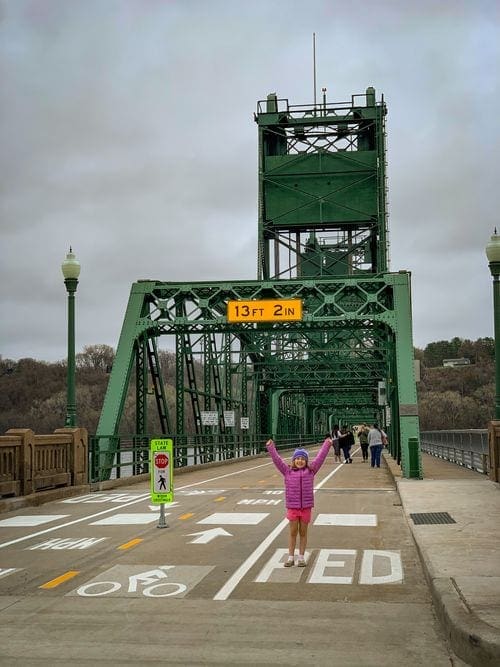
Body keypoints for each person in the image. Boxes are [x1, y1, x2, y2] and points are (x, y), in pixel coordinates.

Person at [266, 435, 332, 567]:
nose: (300, 461)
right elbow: (277, 461)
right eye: (297, 458)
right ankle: (290, 557)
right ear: (293, 460)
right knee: (292, 533)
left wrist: (327, 444)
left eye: (303, 459)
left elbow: (320, 458)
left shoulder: (311, 471)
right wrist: (270, 447)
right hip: (293, 507)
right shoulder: (287, 471)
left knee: (303, 533)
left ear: (306, 461)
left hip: (306, 507)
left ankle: (301, 557)